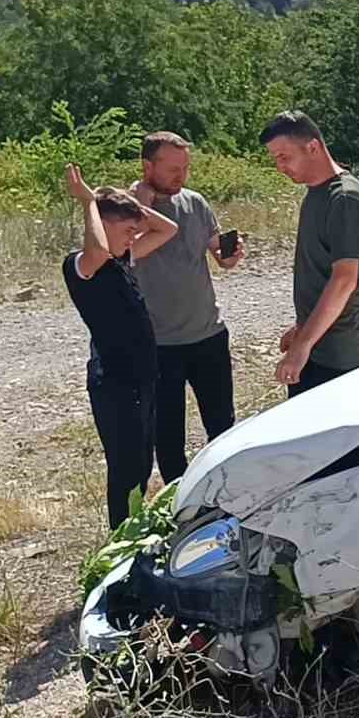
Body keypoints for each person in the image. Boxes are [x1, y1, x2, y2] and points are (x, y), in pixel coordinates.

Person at [61, 164, 180, 529]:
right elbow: (96, 248)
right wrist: (89, 204)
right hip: (115, 384)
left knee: (143, 464)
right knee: (125, 467)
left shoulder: (122, 259)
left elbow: (167, 229)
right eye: (127, 230)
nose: (133, 236)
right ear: (103, 224)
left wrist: (129, 203)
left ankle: (135, 526)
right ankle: (120, 537)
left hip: (142, 379)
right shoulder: (82, 265)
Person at [129, 131, 245, 484]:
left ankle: (229, 491)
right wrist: (141, 201)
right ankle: (180, 502)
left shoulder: (195, 202)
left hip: (207, 333)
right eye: (173, 169)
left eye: (186, 168)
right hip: (158, 342)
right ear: (148, 166)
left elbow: (216, 252)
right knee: (168, 434)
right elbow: (125, 252)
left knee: (223, 425)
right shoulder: (123, 211)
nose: (182, 176)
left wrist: (230, 255)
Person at [260, 111, 359, 396]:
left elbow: (344, 280)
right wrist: (302, 330)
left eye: (284, 156)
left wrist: (302, 347)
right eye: (275, 158)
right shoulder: (316, 192)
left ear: (313, 147)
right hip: (321, 345)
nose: (279, 166)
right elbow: (321, 272)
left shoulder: (344, 198)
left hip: (346, 356)